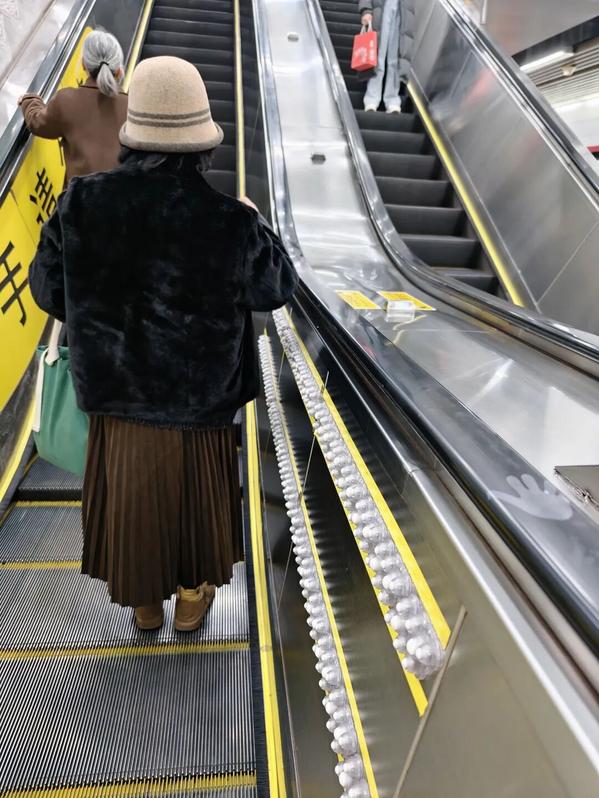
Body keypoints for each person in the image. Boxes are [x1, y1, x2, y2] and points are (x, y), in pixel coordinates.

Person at [28, 55, 298, 632]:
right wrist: (256, 221)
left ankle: (145, 606)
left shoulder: (81, 203)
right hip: (200, 407)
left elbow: (48, 289)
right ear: (203, 142)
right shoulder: (229, 219)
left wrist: (102, 307)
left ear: (133, 133)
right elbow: (276, 287)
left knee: (134, 509)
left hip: (117, 399)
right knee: (194, 508)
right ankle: (192, 600)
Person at [19, 30, 127, 183]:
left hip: (80, 196)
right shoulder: (134, 106)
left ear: (83, 63)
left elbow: (37, 123)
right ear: (118, 70)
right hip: (126, 196)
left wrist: (29, 100)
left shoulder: (67, 100)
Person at [359, 0, 415, 113]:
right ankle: (371, 99)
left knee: (395, 60)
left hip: (402, 10)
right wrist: (366, 10)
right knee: (378, 56)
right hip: (382, 8)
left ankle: (392, 100)